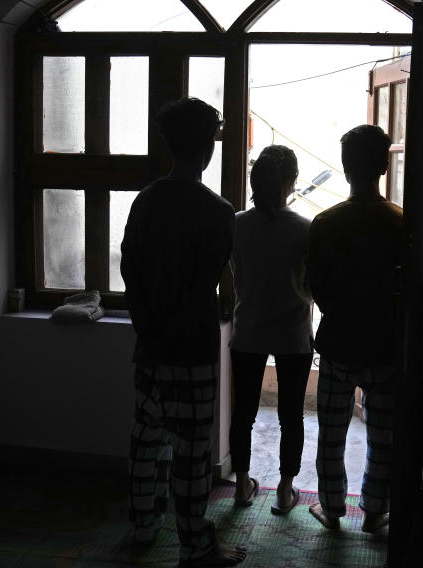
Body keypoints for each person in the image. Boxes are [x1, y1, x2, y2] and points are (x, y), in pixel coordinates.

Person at [121, 97, 245, 567]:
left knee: (145, 442)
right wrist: (172, 336)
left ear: (168, 144)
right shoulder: (217, 211)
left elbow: (131, 275)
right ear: (209, 147)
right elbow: (201, 289)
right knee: (192, 458)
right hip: (190, 350)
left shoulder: (145, 200)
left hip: (149, 348)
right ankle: (195, 546)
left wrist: (149, 334)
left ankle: (142, 526)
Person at [305, 125, 403, 533]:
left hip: (339, 345)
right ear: (384, 165)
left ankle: (331, 509)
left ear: (345, 169)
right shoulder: (402, 222)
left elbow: (318, 288)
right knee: (384, 436)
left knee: (331, 434)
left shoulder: (326, 223)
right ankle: (375, 509)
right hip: (386, 346)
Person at [228, 145, 314, 515]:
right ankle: (284, 488)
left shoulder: (237, 223)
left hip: (247, 328)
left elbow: (236, 274)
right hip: (293, 333)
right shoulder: (303, 228)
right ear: (291, 182)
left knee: (243, 412)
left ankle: (242, 484)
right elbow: (311, 282)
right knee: (291, 413)